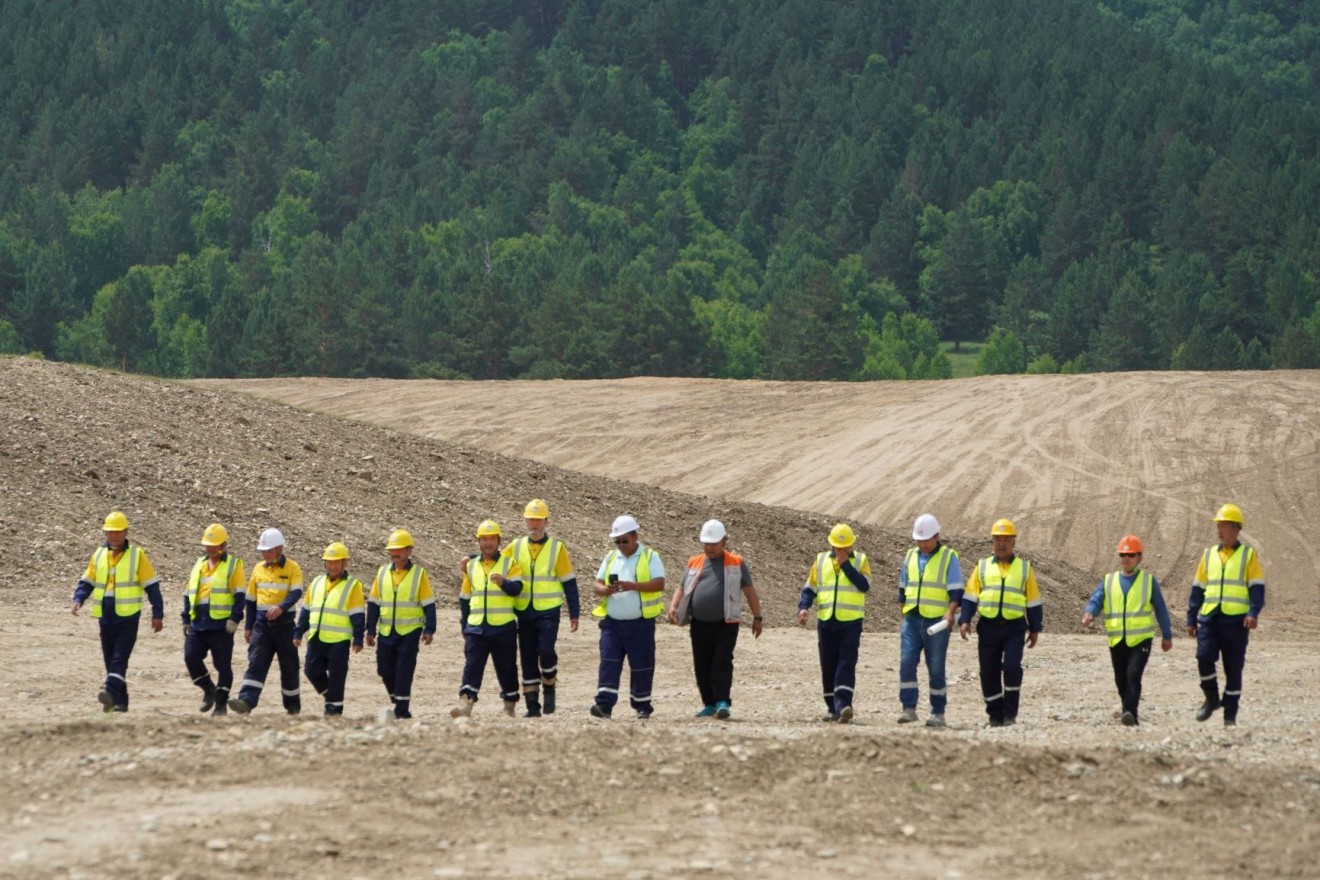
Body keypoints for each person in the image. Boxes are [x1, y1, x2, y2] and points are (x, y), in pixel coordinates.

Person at [667, 519, 763, 719]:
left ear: (724, 542)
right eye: (706, 543)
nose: (709, 547)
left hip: (726, 624)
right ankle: (709, 703)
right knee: (701, 663)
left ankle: (722, 702)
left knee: (721, 661)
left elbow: (749, 590)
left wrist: (757, 617)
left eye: (713, 543)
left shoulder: (736, 562)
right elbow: (682, 586)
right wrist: (674, 606)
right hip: (699, 623)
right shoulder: (694, 561)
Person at [71, 511, 165, 712]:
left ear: (125, 532)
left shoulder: (137, 555)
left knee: (119, 657)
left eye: (117, 532)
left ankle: (110, 693)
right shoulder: (98, 554)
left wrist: (158, 613)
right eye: (110, 532)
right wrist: (78, 599)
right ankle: (121, 703)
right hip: (105, 614)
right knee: (109, 657)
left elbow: (152, 586)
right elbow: (87, 581)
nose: (113, 536)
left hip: (128, 615)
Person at [958, 518, 1042, 727]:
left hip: (1014, 628)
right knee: (988, 671)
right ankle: (995, 716)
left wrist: (1035, 628)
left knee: (1012, 667)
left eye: (1006, 540)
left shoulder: (1024, 569)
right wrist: (965, 620)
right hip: (988, 627)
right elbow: (970, 596)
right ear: (992, 542)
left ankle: (1010, 713)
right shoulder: (982, 567)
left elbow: (1033, 601)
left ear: (1014, 543)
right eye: (997, 539)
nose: (1001, 544)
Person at [1081, 534, 1173, 726]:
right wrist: (1090, 613)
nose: (1126, 558)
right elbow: (1097, 600)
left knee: (1133, 675)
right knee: (1120, 679)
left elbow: (1161, 609)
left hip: (1141, 640)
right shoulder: (1109, 580)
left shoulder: (1149, 582)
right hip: (1116, 640)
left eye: (1131, 555)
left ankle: (1130, 712)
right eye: (1123, 555)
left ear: (1140, 558)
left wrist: (1167, 635)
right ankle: (1127, 710)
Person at [1187, 503, 1265, 727]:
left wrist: (1253, 612)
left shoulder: (1248, 556)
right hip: (1210, 618)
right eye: (1218, 526)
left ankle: (1230, 714)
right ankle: (1211, 698)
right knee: (1203, 657)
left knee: (1233, 669)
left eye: (1223, 526)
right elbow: (1198, 589)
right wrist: (1191, 618)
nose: (1219, 530)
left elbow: (1257, 588)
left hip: (1236, 622)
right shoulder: (1208, 554)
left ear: (1236, 528)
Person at [505, 499, 580, 717]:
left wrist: (574, 613)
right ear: (526, 521)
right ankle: (532, 707)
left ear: (546, 521)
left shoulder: (557, 549)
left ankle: (549, 683)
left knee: (546, 651)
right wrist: (470, 560)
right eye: (531, 520)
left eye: (538, 520)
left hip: (548, 611)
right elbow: (495, 559)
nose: (534, 524)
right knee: (527, 657)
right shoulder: (516, 546)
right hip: (524, 610)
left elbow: (569, 582)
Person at [590, 515, 666, 719]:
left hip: (640, 624)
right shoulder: (611, 557)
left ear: (635, 536)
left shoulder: (650, 556)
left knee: (641, 665)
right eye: (617, 541)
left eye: (625, 540)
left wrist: (632, 586)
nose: (621, 545)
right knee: (609, 662)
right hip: (612, 624)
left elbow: (659, 583)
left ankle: (642, 706)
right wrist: (605, 590)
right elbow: (596, 584)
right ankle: (604, 705)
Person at [797, 523, 871, 724]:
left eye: (845, 547)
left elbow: (864, 585)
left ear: (851, 545)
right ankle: (832, 708)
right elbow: (810, 587)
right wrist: (804, 607)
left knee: (846, 662)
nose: (841, 550)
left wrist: (846, 564)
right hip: (827, 621)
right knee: (828, 664)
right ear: (831, 545)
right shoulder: (821, 561)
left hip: (851, 622)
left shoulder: (860, 561)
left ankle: (844, 705)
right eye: (838, 547)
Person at [897, 514, 963, 728]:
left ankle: (937, 712)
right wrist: (904, 614)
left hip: (937, 622)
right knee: (907, 664)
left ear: (937, 537)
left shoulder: (948, 557)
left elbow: (956, 591)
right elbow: (903, 589)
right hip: (912, 619)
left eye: (926, 540)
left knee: (935, 668)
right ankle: (909, 708)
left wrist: (950, 613)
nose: (922, 544)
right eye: (919, 540)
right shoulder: (910, 555)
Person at [452, 520, 524, 718]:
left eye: (492, 539)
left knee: (507, 668)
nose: (488, 543)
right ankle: (466, 704)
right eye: (484, 539)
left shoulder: (509, 563)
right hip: (476, 627)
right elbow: (465, 597)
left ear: (499, 540)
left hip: (503, 628)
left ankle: (509, 705)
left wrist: (504, 583)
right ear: (478, 541)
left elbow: (517, 589)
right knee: (472, 666)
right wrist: (464, 624)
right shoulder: (471, 566)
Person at [229, 528, 304, 715]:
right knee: (256, 662)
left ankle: (292, 706)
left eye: (268, 550)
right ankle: (246, 701)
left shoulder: (292, 568)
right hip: (262, 627)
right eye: (262, 551)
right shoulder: (257, 568)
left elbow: (296, 592)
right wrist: (248, 627)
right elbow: (251, 600)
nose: (264, 554)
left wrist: (281, 608)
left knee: (289, 667)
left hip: (285, 626)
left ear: (279, 549)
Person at [366, 529, 437, 720]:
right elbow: (373, 603)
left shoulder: (419, 574)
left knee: (404, 670)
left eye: (399, 550)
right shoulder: (382, 573)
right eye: (392, 550)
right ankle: (397, 699)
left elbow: (428, 604)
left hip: (410, 631)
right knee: (384, 669)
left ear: (409, 551)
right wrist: (370, 629)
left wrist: (429, 629)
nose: (394, 553)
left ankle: (402, 710)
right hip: (387, 630)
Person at [181, 523, 246, 717]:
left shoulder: (234, 564)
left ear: (224, 545)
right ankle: (208, 688)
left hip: (221, 625)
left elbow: (240, 594)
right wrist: (185, 617)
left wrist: (235, 618)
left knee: (223, 666)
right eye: (207, 545)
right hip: (198, 623)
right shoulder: (199, 564)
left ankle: (220, 704)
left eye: (214, 545)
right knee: (190, 657)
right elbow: (189, 592)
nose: (210, 549)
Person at [294, 542, 365, 716]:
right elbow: (306, 609)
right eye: (329, 562)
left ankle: (334, 710)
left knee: (337, 677)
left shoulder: (353, 585)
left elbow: (357, 615)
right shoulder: (317, 582)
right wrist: (298, 631)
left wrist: (358, 638)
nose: (332, 566)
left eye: (336, 562)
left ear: (345, 563)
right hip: (316, 636)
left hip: (339, 641)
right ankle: (331, 697)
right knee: (311, 671)